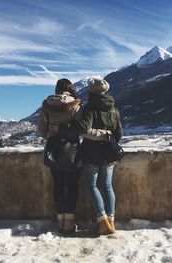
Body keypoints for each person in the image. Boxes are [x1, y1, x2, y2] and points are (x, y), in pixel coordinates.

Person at [37, 78, 109, 234]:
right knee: (72, 186)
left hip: (53, 150)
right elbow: (81, 128)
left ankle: (61, 222)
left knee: (58, 185)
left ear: (56, 89)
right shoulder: (76, 105)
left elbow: (41, 131)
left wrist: (52, 134)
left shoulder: (46, 106)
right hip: (72, 151)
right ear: (71, 88)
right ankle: (69, 223)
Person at [63, 78, 123, 236]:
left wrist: (69, 129)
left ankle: (102, 220)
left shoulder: (90, 107)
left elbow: (83, 127)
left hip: (91, 153)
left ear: (90, 91)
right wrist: (108, 137)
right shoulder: (114, 108)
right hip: (109, 154)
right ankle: (111, 221)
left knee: (92, 185)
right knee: (107, 186)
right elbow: (119, 133)